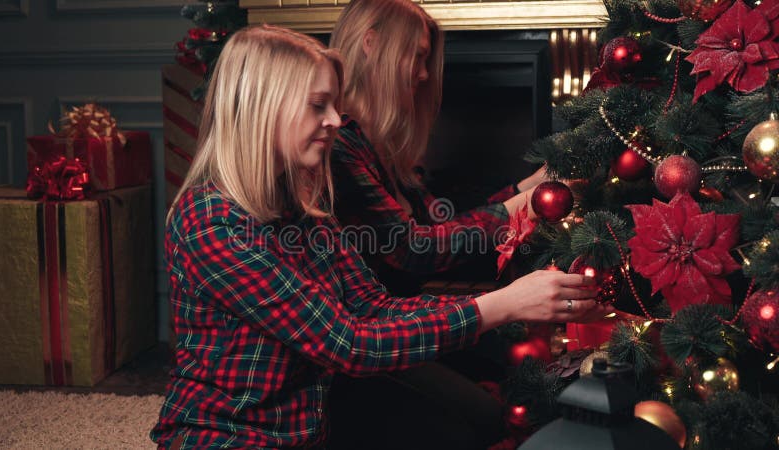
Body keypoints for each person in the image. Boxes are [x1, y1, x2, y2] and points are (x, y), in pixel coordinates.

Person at [150, 24, 612, 449]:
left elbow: (373, 307)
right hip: (229, 436)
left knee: (476, 425)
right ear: (259, 110)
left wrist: (516, 308)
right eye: (317, 105)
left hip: (308, 425)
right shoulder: (210, 221)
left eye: (334, 103)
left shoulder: (303, 210)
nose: (335, 119)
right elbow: (348, 344)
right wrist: (503, 304)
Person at [329, 0, 549, 297]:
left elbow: (441, 224)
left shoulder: (382, 146)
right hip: (381, 329)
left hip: (408, 316)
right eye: (418, 57)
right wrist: (530, 204)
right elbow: (415, 249)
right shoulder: (339, 145)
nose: (423, 75)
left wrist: (529, 185)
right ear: (371, 43)